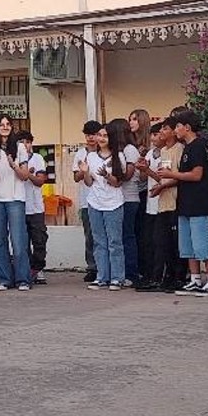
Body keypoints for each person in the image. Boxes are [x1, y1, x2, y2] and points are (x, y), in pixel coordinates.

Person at [158, 110, 208, 297]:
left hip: (200, 203)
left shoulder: (198, 146)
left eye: (178, 126)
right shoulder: (186, 147)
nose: (176, 130)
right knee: (188, 245)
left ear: (187, 127)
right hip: (185, 203)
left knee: (204, 243)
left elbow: (196, 174)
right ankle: (194, 279)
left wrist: (171, 174)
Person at [0, 114, 33, 291]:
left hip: (15, 198)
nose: (5, 127)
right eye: (1, 124)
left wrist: (13, 165)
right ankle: (4, 279)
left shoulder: (19, 147)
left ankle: (23, 279)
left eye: (8, 124)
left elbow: (25, 175)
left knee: (19, 240)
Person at [78, 122, 126, 291]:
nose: (101, 138)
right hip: (94, 203)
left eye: (105, 136)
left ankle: (117, 278)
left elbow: (118, 183)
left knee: (115, 242)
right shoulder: (90, 157)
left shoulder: (118, 156)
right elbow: (89, 182)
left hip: (114, 203)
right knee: (99, 242)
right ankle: (102, 277)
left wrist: (106, 175)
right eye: (100, 135)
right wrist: (85, 171)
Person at [134, 121, 178, 292]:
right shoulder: (152, 153)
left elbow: (166, 179)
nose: (155, 138)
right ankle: (151, 275)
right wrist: (143, 169)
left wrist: (149, 171)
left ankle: (163, 277)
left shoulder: (169, 153)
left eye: (159, 133)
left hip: (166, 203)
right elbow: (145, 180)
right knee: (150, 242)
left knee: (163, 244)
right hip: (151, 204)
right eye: (153, 134)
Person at [112, 118, 143, 287]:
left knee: (127, 236)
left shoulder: (130, 150)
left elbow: (128, 174)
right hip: (118, 200)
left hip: (129, 198)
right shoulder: (119, 150)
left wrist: (112, 176)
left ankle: (131, 272)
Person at [72, 120, 103, 284]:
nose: (91, 138)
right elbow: (76, 177)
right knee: (90, 236)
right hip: (86, 201)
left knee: (103, 236)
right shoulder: (80, 153)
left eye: (95, 134)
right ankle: (92, 267)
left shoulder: (104, 152)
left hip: (105, 200)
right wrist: (83, 170)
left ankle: (104, 267)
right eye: (88, 134)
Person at [18, 131, 50, 285]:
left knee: (39, 239)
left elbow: (40, 181)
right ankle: (27, 270)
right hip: (19, 206)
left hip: (36, 207)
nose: (25, 145)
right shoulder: (15, 159)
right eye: (22, 142)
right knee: (23, 242)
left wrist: (26, 175)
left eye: (28, 142)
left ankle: (38, 268)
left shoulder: (38, 159)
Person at [128, 109, 153, 285]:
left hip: (145, 190)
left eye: (135, 119)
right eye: (130, 119)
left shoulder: (148, 146)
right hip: (132, 191)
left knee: (144, 232)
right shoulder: (130, 144)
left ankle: (146, 269)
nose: (131, 122)